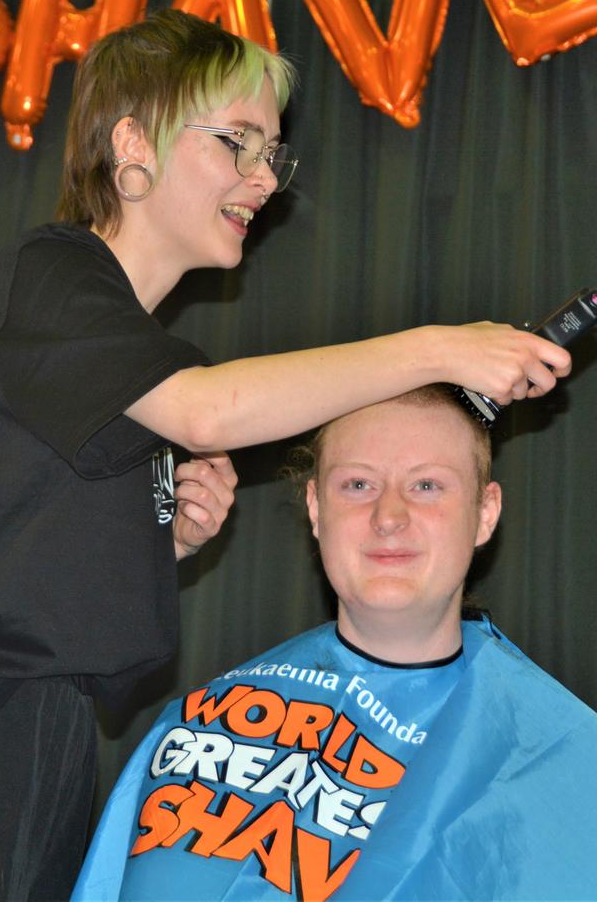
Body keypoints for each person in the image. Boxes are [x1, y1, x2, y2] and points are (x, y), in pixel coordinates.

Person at [0, 9, 571, 901]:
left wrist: (159, 541)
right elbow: (212, 412)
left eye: (272, 154)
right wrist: (439, 348)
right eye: (238, 143)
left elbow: (44, 541)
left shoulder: (138, 363)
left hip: (44, 738)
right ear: (133, 144)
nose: (265, 179)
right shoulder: (54, 275)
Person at [73, 384, 597, 902]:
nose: (389, 516)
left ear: (485, 513)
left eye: (427, 486)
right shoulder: (199, 723)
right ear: (316, 508)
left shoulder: (558, 759)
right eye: (358, 485)